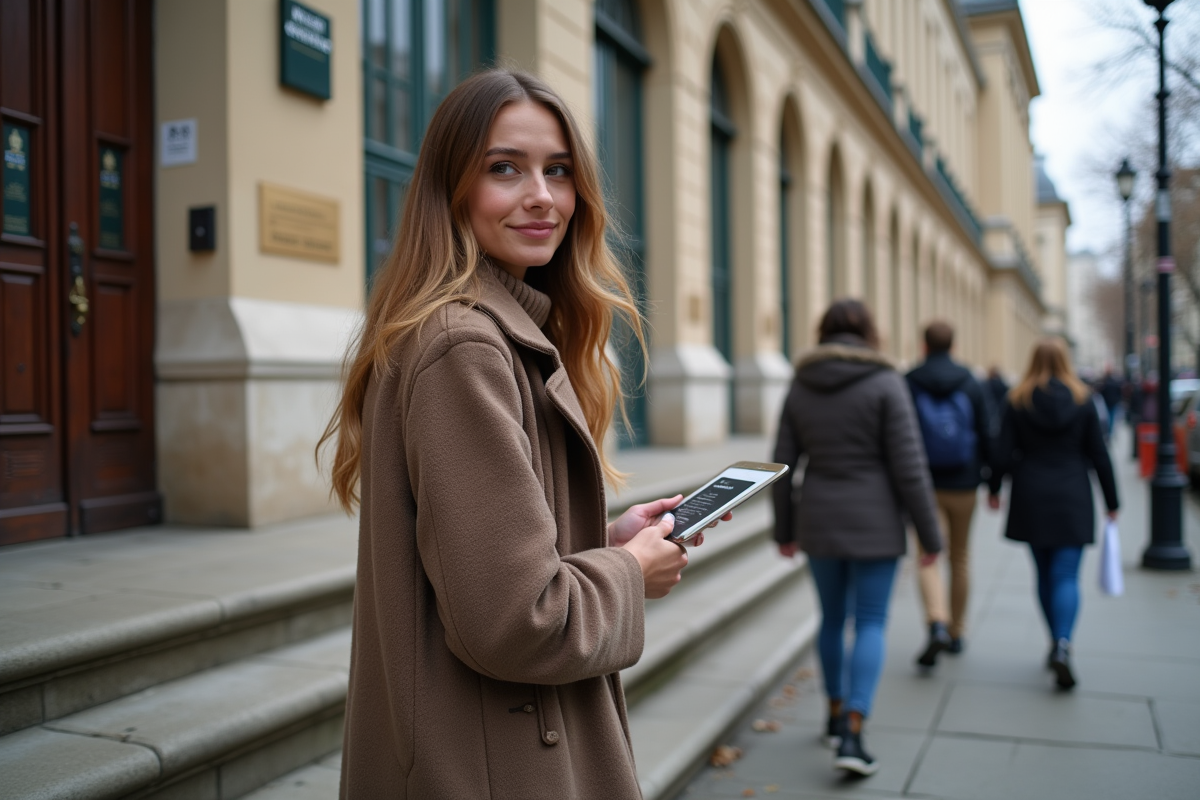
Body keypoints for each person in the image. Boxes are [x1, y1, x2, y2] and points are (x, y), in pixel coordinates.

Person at [320, 69, 721, 799]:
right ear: (452, 189)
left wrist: (603, 536)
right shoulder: (465, 346)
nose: (542, 195)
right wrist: (632, 572)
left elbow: (479, 556)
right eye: (504, 168)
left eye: (558, 171)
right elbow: (518, 621)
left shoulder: (486, 329)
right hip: (492, 760)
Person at [772, 300, 942, 777]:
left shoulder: (801, 384)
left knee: (831, 619)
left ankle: (832, 713)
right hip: (877, 521)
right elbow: (910, 467)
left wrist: (784, 529)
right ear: (870, 333)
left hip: (819, 518)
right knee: (869, 621)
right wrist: (930, 536)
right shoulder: (887, 383)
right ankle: (853, 729)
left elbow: (781, 464)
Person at [987, 338, 1119, 690]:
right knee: (1066, 575)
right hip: (1072, 493)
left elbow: (1001, 452)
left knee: (1044, 574)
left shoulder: (1017, 400)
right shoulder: (1083, 399)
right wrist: (1112, 501)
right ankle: (1062, 643)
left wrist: (994, 488)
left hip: (1031, 494)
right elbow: (1099, 454)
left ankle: (1054, 642)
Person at [905, 321, 992, 667]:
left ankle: (935, 622)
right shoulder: (970, 381)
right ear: (953, 345)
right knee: (960, 557)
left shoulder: (909, 380)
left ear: (923, 345)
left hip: (923, 483)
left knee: (927, 555)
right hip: (965, 482)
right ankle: (957, 632)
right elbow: (987, 431)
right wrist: (993, 480)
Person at [1098, 368, 1123, 438]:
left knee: (1108, 416)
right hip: (1113, 402)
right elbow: (1119, 392)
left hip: (1108, 402)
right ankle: (1110, 431)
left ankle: (1108, 431)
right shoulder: (1115, 382)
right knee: (1111, 417)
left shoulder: (1105, 383)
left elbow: (1102, 392)